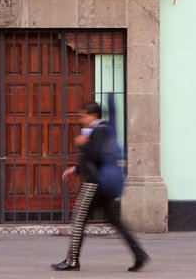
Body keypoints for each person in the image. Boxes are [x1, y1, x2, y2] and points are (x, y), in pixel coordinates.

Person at [51, 101, 149, 272]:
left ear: (93, 116)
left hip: (93, 186)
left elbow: (95, 155)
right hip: (103, 184)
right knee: (115, 222)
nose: (81, 120)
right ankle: (139, 254)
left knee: (79, 220)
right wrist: (75, 168)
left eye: (83, 116)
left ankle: (72, 261)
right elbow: (98, 158)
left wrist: (83, 143)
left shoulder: (99, 131)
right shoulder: (105, 129)